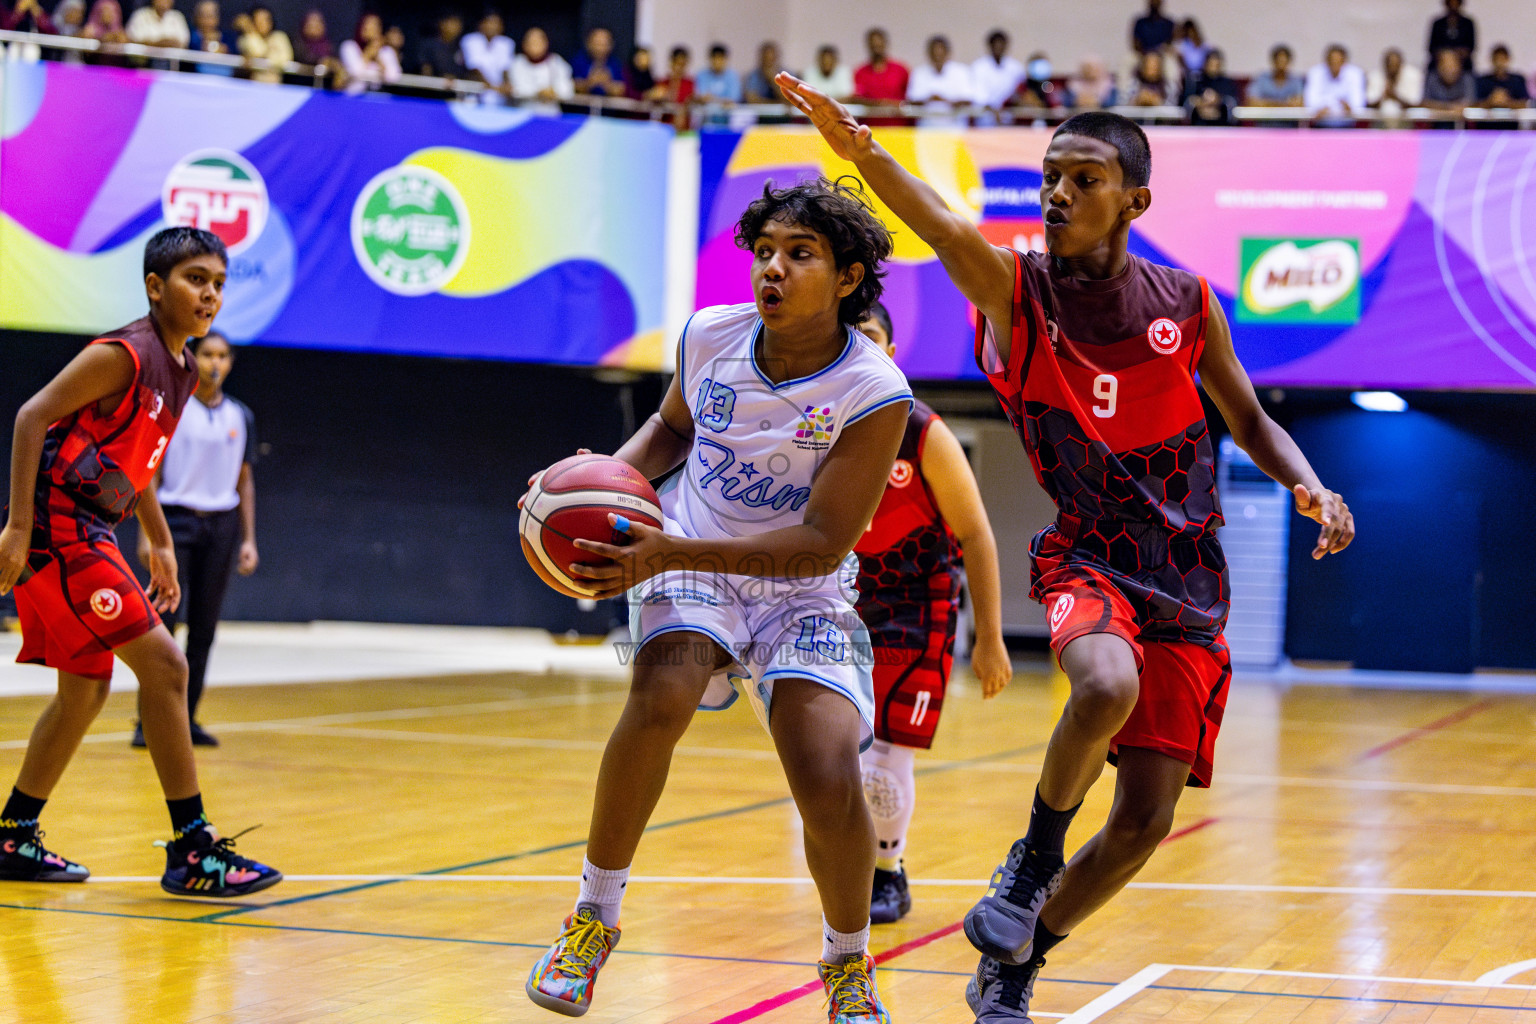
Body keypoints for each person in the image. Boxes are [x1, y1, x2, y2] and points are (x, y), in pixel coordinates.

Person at [777, 71, 1355, 1023]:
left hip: (1189, 577)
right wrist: (863, 152)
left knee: (1141, 824)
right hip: (1086, 551)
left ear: (1135, 199)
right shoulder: (1020, 290)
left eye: (1083, 179)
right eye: (1049, 177)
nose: (1057, 195)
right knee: (1103, 686)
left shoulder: (1187, 301)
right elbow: (943, 227)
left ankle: (1018, 959)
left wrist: (1310, 481)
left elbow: (1247, 415)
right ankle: (1034, 855)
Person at [521, 177, 912, 1021]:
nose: (772, 269)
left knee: (824, 767)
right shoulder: (709, 336)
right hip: (692, 564)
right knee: (660, 694)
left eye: (799, 255)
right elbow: (671, 429)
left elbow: (822, 544)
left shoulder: (875, 390)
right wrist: (597, 491)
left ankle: (848, 964)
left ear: (848, 277)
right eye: (764, 252)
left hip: (800, 590)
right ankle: (592, 920)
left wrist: (667, 546)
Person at [0, 227, 283, 897]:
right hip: (56, 531)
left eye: (217, 281)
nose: (209, 292)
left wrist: (156, 537)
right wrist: (15, 526)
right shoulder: (125, 353)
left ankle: (13, 835)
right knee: (165, 663)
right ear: (156, 288)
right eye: (194, 279)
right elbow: (30, 417)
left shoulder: (181, 369)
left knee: (85, 690)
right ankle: (192, 850)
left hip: (90, 528)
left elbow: (140, 461)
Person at [852, 302, 1010, 925]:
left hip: (919, 607)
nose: (857, 348)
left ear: (890, 352)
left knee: (886, 760)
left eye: (868, 337)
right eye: (847, 338)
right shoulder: (812, 426)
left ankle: (887, 872)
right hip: (840, 603)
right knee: (837, 755)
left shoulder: (922, 432)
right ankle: (851, 862)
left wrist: (991, 638)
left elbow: (976, 534)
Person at [127, 331, 257, 750]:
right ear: (193, 359)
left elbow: (245, 479)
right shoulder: (175, 411)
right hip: (175, 521)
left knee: (204, 627)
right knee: (164, 624)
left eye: (221, 355)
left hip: (221, 525)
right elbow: (151, 470)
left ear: (230, 363)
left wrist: (248, 537)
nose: (214, 362)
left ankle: (186, 719)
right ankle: (149, 722)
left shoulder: (241, 416)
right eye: (206, 354)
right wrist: (151, 534)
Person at [907, 34, 974, 124]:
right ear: (929, 54)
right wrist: (929, 99)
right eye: (934, 52)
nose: (937, 55)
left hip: (955, 128)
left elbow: (968, 100)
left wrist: (944, 100)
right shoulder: (919, 73)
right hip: (927, 128)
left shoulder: (960, 71)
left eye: (941, 51)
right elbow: (912, 101)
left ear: (947, 53)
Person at [338, 12, 401, 93]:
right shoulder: (349, 46)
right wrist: (368, 53)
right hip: (353, 96)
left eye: (375, 25)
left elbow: (393, 77)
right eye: (367, 25)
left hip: (377, 97)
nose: (371, 29)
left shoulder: (386, 51)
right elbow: (355, 72)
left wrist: (378, 57)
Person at [1303, 44, 1366, 123]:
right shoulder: (1315, 73)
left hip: (1348, 126)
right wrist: (1320, 109)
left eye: (1338, 62)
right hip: (1320, 125)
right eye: (1332, 61)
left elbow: (1358, 106)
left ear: (1344, 62)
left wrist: (1349, 109)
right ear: (1326, 61)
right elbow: (1310, 103)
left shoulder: (1355, 74)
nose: (1335, 65)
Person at [510, 26, 573, 105]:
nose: (534, 46)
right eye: (531, 43)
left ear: (546, 43)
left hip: (551, 112)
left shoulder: (556, 62)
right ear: (524, 45)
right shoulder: (517, 63)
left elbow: (567, 90)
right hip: (525, 111)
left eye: (538, 42)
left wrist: (553, 91)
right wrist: (539, 92)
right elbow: (516, 89)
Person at [461, 11, 513, 102]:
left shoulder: (506, 43)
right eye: (490, 22)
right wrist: (492, 87)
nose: (493, 26)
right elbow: (474, 68)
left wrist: (506, 85)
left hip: (499, 95)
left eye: (496, 23)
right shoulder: (470, 40)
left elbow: (505, 69)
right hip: (475, 94)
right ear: (481, 24)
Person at [972, 30, 1026, 110]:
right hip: (985, 114)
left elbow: (1020, 90)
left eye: (1001, 44)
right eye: (995, 44)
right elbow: (978, 93)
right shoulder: (979, 67)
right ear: (990, 46)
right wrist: (991, 108)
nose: (998, 47)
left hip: (1009, 114)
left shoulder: (1016, 67)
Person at [854, 27, 909, 104]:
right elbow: (857, 98)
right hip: (869, 116)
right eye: (873, 45)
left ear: (885, 44)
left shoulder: (900, 70)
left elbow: (910, 98)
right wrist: (877, 104)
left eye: (879, 45)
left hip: (896, 115)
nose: (876, 47)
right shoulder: (860, 72)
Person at [238, 5, 291, 84]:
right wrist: (250, 30)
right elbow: (257, 51)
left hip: (276, 85)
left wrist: (262, 59)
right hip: (253, 84)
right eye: (258, 20)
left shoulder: (279, 37)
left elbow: (285, 59)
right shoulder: (246, 38)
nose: (263, 23)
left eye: (266, 20)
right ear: (253, 22)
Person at [1184, 49, 1238, 125]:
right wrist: (1199, 102)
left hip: (1222, 126)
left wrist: (1218, 100)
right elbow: (1185, 102)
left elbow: (1233, 102)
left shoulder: (1227, 83)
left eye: (1217, 65)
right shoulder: (1195, 82)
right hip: (1198, 125)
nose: (1214, 68)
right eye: (1211, 65)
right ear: (1205, 64)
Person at [1367, 48, 1424, 118]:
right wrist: (1383, 96)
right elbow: (1368, 104)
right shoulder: (1375, 76)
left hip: (1407, 120)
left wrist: (1395, 96)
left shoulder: (1413, 75)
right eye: (1390, 65)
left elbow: (1415, 104)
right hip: (1379, 120)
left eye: (1395, 65)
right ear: (1384, 65)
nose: (1392, 69)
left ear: (1401, 64)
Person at [573, 26, 625, 97]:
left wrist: (607, 84)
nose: (600, 48)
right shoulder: (578, 61)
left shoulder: (615, 64)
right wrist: (589, 83)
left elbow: (621, 89)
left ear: (611, 45)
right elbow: (571, 85)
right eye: (597, 43)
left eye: (603, 44)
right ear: (589, 43)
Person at [189, 0, 237, 75]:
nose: (207, 21)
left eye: (210, 16)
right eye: (203, 16)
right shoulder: (191, 37)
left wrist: (226, 50)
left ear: (217, 18)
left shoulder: (227, 38)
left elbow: (237, 57)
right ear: (197, 17)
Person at [1427, 0, 1475, 73]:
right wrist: (1446, 56)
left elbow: (1471, 47)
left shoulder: (1467, 23)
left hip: (1463, 67)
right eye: (1451, 3)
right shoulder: (1438, 24)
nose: (1453, 6)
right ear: (1446, 4)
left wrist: (1456, 56)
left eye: (1456, 3)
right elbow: (1432, 47)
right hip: (1439, 66)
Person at [1422, 46, 1475, 111]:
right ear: (1438, 67)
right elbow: (1425, 103)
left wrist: (1439, 107)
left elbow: (1470, 103)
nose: (1449, 70)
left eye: (1452, 66)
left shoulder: (1467, 78)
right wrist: (1448, 107)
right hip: (1436, 119)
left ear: (1459, 66)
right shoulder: (1431, 78)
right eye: (1445, 66)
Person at [418, 13, 467, 80]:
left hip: (458, 88)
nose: (456, 27)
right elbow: (425, 71)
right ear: (442, 24)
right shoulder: (429, 45)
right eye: (452, 23)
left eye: (458, 23)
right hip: (434, 87)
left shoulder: (462, 47)